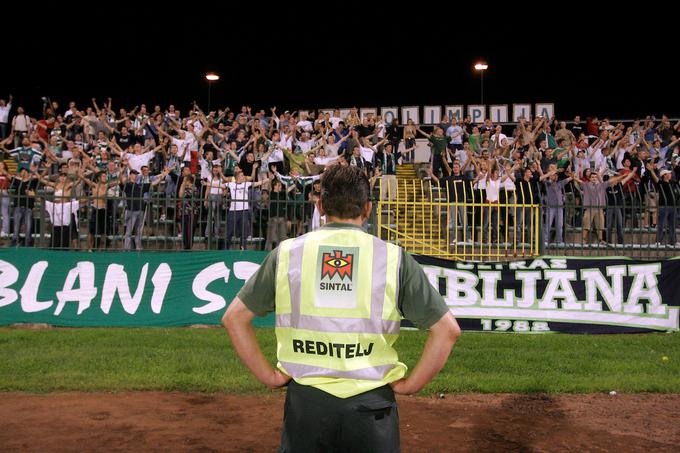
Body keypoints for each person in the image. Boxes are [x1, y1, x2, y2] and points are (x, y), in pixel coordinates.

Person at [222, 165, 460, 452]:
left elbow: (234, 318)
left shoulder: (286, 254)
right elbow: (447, 330)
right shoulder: (393, 258)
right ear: (368, 208)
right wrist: (411, 385)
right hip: (372, 405)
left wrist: (268, 376)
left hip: (306, 405)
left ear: (320, 205)